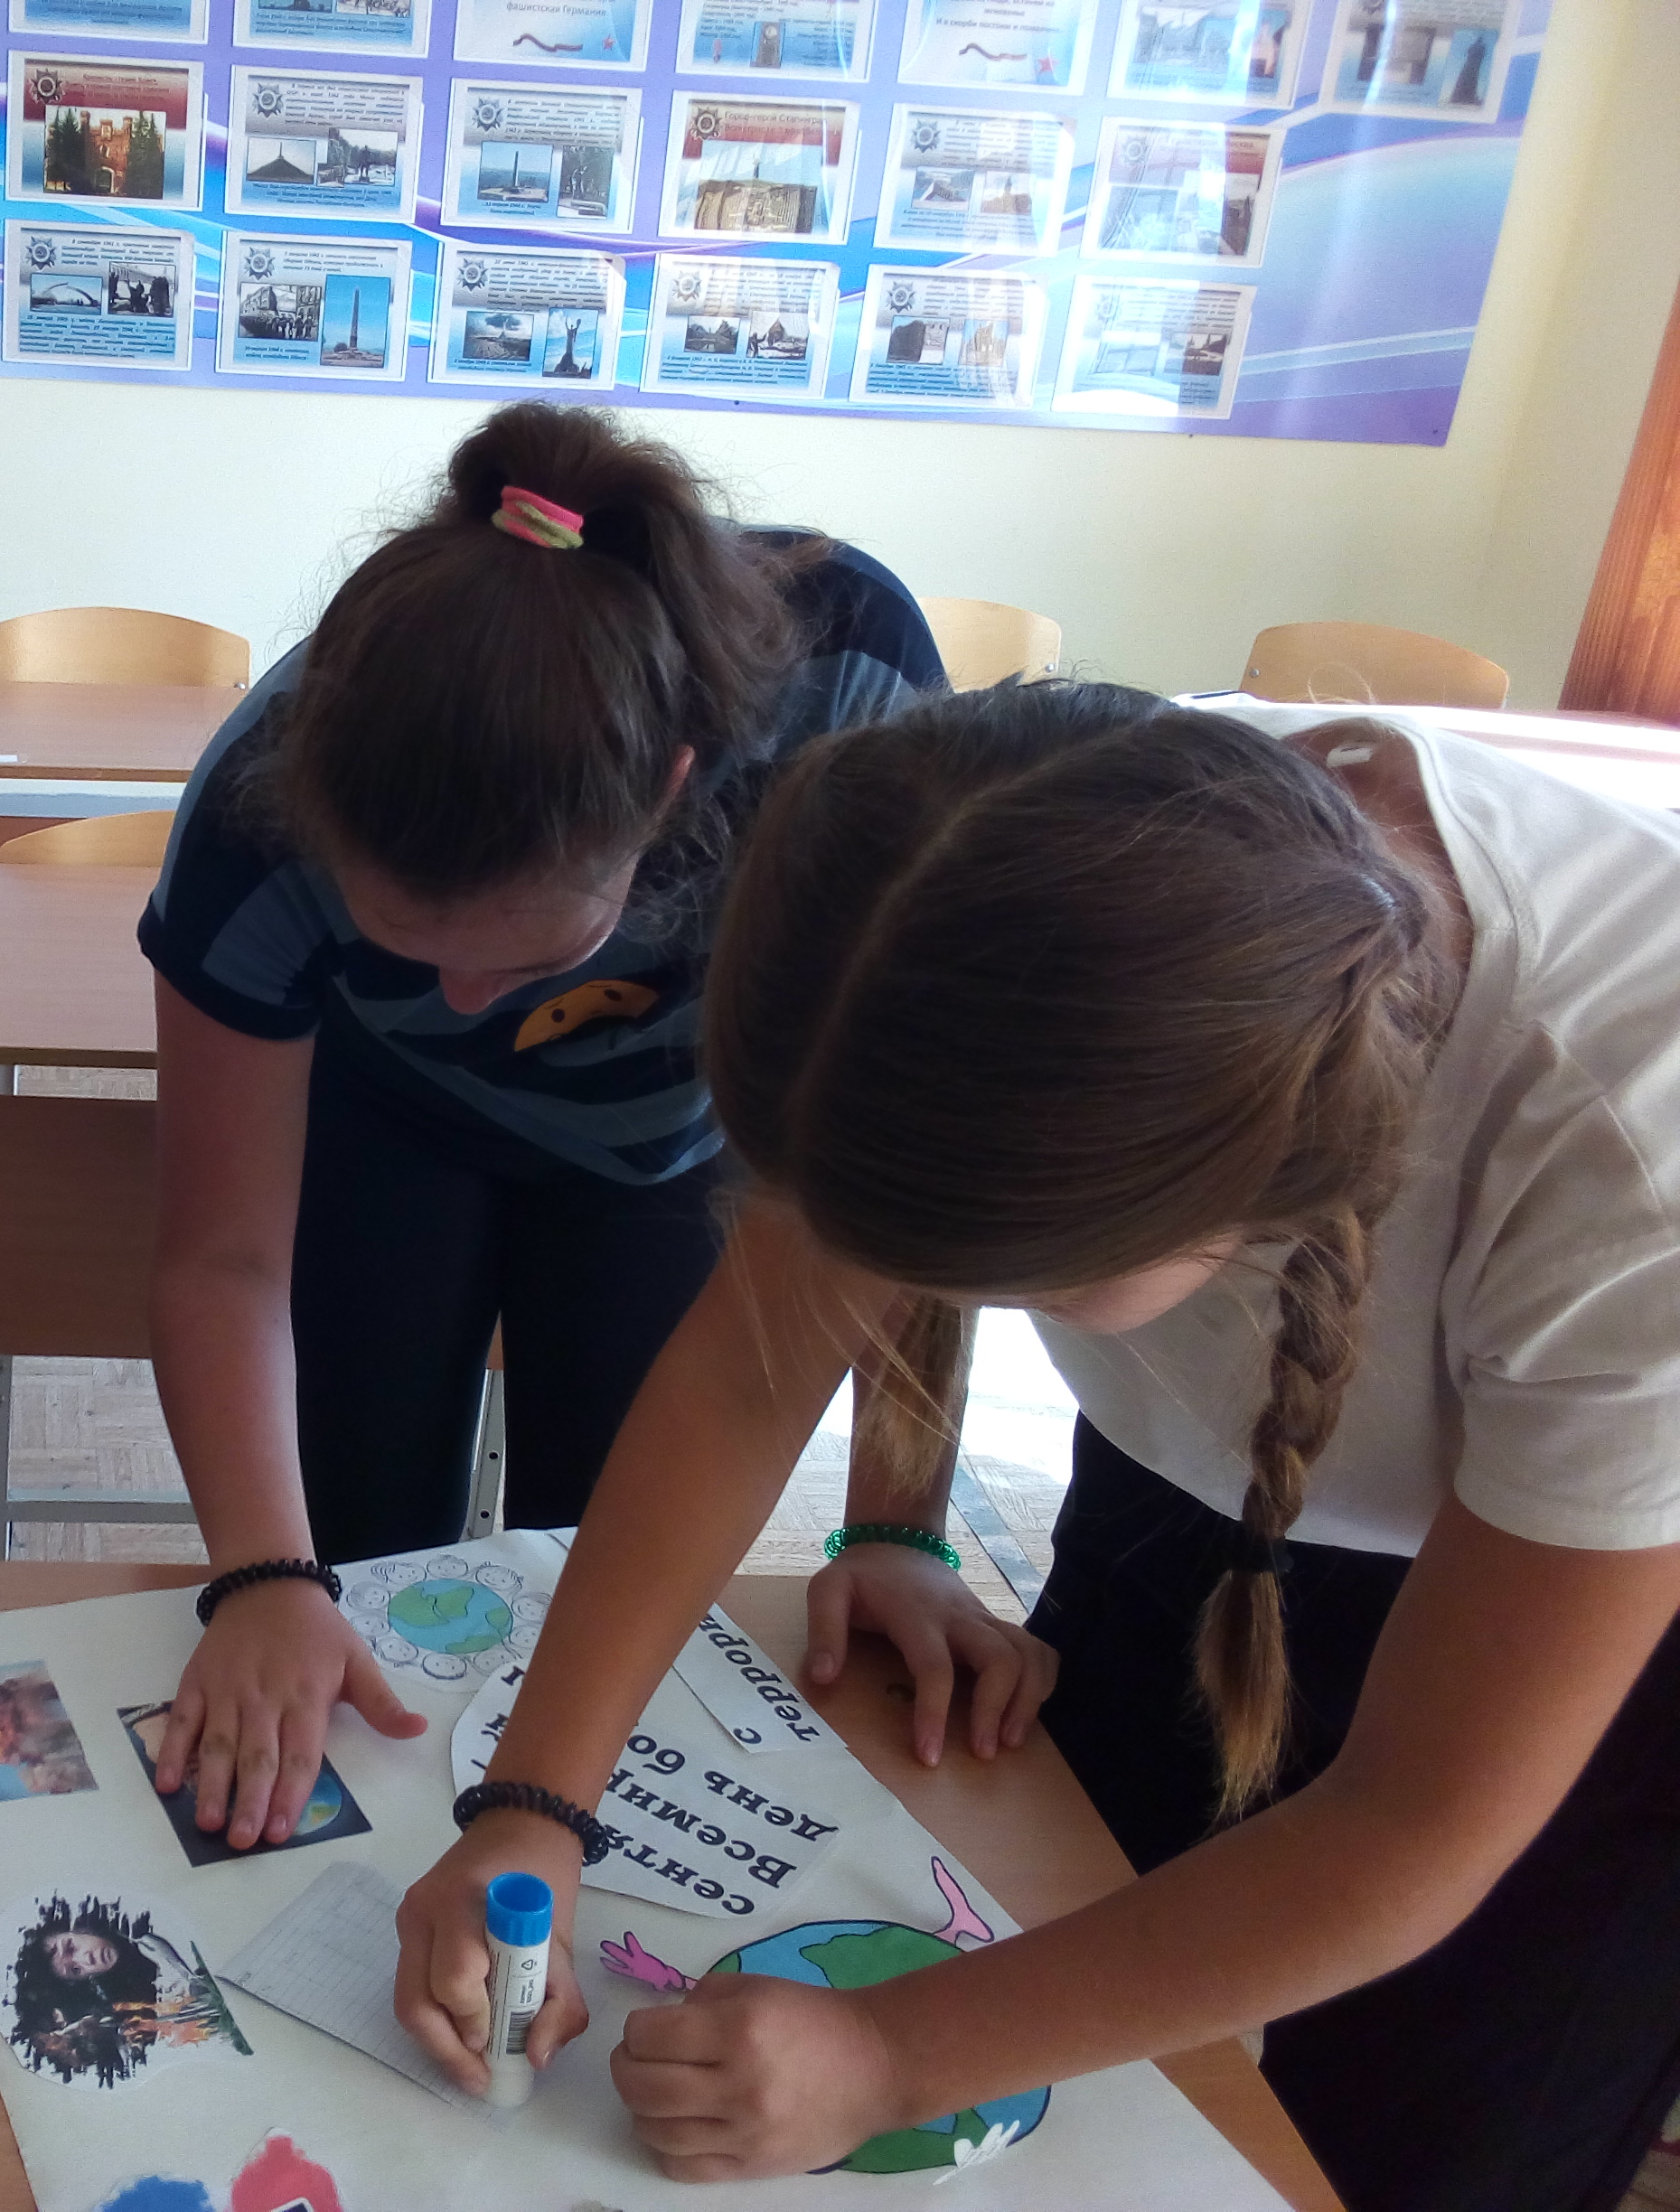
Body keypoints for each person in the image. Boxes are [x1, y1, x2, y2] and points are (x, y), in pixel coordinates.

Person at [395, 682, 1680, 2212]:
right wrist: (536, 1807)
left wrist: (891, 2056)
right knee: (1071, 1960)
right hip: (1196, 1497)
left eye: (1010, 1287)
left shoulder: (1632, 1158)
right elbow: (749, 1374)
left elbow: (1417, 1825)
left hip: (1609, 1617)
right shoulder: (1020, 852)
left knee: (1414, 2140)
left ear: (1243, 1200)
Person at [136, 401, 942, 1851]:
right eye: (410, 947)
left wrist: (898, 1525)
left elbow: (921, 1166)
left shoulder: (853, 697)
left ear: (676, 787)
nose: (465, 997)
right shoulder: (258, 815)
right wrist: (264, 1578)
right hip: (380, 1126)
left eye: (520, 956)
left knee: (611, 1567)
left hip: (671, 1148)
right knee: (359, 1546)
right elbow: (222, 1258)